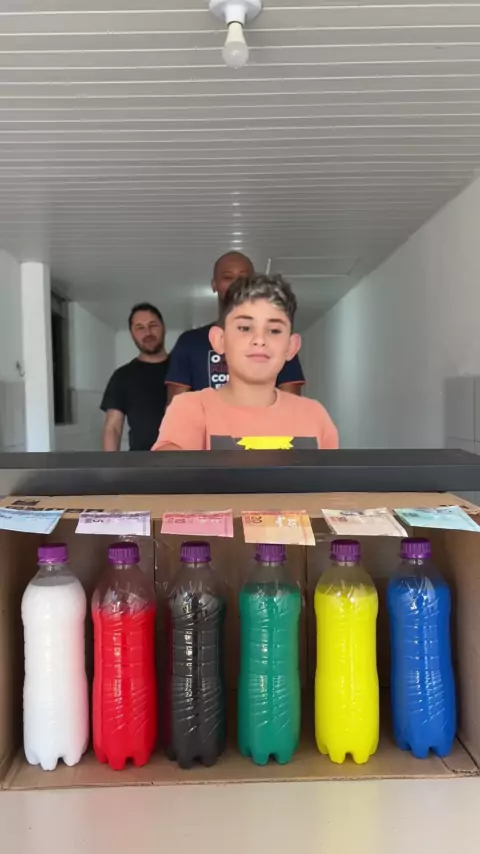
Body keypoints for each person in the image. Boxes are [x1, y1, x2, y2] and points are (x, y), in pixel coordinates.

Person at [152, 275, 338, 452]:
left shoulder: (314, 416)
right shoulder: (191, 408)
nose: (259, 340)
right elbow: (168, 471)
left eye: (274, 330)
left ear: (291, 347)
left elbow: (333, 475)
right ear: (220, 340)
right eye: (245, 328)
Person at [165, 252, 305, 401]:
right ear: (214, 284)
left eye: (243, 278)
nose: (236, 283)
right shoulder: (189, 342)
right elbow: (176, 408)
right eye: (227, 277)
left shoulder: (278, 340)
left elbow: (291, 406)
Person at [101, 303, 169, 451]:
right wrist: (109, 465)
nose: (148, 332)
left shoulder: (184, 368)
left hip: (184, 460)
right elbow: (113, 428)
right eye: (140, 328)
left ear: (164, 327)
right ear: (132, 334)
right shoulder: (122, 376)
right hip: (140, 461)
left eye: (153, 325)